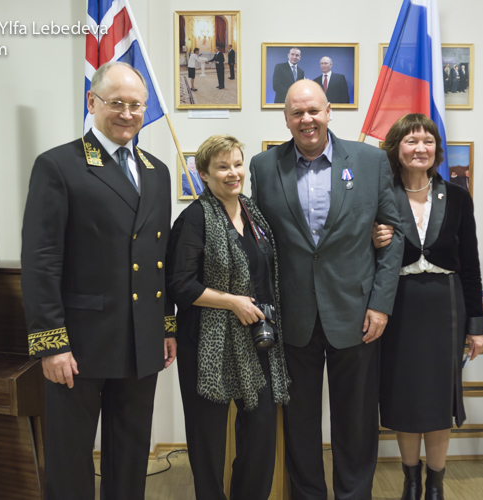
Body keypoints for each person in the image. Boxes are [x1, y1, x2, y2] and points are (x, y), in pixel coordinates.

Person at [21, 61, 176, 499]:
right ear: (92, 102)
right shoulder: (59, 165)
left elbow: (158, 258)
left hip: (141, 340)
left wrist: (165, 326)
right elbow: (41, 261)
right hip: (80, 344)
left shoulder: (156, 170)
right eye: (116, 103)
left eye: (136, 105)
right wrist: (51, 343)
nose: (127, 114)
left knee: (130, 458)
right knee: (70, 461)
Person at [250, 80, 404, 499]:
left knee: (356, 420)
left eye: (313, 110)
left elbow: (395, 237)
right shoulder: (263, 167)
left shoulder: (370, 161)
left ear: (329, 111)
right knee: (299, 420)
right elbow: (259, 241)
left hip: (357, 313)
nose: (307, 120)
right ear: (286, 119)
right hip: (292, 315)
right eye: (297, 113)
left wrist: (381, 304)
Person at [167, 135, 290, 499]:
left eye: (237, 164)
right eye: (222, 167)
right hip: (207, 343)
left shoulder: (253, 212)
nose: (233, 173)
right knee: (208, 440)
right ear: (204, 174)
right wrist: (232, 302)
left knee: (261, 433)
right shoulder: (193, 219)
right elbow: (180, 285)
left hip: (257, 340)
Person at [373, 114, 483, 500]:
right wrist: (372, 238)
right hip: (398, 307)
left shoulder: (456, 196)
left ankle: (436, 483)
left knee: (439, 400)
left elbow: (470, 264)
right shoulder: (381, 195)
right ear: (396, 148)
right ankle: (410, 480)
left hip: (446, 307)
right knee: (405, 396)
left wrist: (477, 326)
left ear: (437, 149)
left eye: (427, 141)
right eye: (411, 141)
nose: (420, 148)